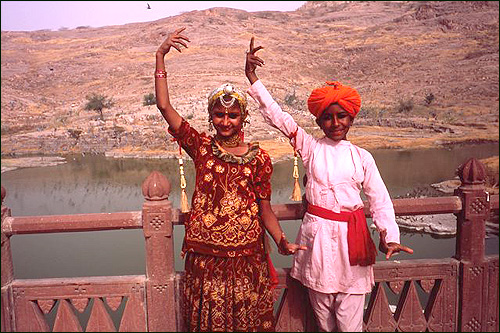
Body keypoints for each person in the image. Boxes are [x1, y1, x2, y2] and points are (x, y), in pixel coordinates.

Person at [244, 37, 414, 332]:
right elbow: (279, 118)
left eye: (342, 116)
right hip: (317, 242)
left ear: (351, 119)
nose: (335, 123)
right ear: (320, 121)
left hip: (353, 242)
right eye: (328, 118)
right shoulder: (309, 148)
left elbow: (379, 199)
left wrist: (389, 236)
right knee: (323, 320)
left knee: (349, 324)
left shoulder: (362, 157)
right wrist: (252, 78)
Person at [154, 27, 306, 332]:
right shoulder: (201, 147)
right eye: (219, 116)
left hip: (246, 261)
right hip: (205, 260)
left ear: (243, 118)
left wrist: (282, 241)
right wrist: (160, 57)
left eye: (233, 115)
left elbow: (265, 211)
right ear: (211, 117)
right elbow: (164, 107)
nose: (226, 122)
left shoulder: (259, 158)